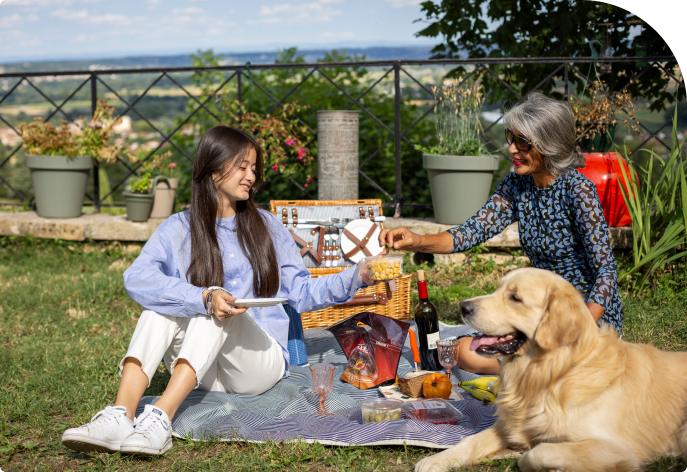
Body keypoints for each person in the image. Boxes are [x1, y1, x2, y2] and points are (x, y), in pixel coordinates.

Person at [62, 125, 373, 455]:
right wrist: (200, 297)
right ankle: (120, 416)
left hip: (258, 364)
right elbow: (136, 278)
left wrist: (358, 274)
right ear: (213, 170)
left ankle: (160, 418)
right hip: (204, 370)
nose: (251, 176)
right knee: (165, 304)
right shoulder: (178, 228)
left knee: (219, 304)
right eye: (242, 166)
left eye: (254, 168)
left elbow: (302, 291)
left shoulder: (268, 226)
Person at [380, 91, 624, 375]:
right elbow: (471, 232)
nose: (511, 149)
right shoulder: (517, 185)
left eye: (522, 142)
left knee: (541, 365)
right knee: (461, 351)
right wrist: (418, 241)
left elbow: (606, 271)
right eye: (511, 138)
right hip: (535, 311)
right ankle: (531, 366)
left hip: (582, 314)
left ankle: (540, 366)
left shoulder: (578, 190)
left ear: (549, 144)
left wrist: (580, 327)